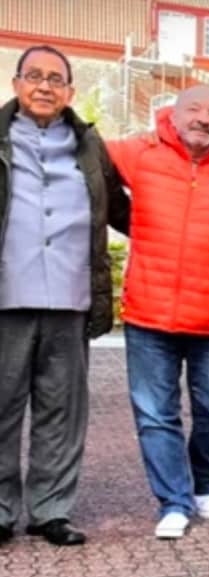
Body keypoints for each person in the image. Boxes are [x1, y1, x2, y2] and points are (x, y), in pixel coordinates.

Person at [106, 85, 209, 539]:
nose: (204, 118)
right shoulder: (140, 152)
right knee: (156, 414)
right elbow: (86, 153)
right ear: (174, 114)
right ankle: (173, 500)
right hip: (148, 315)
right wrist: (121, 215)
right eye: (195, 109)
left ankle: (203, 485)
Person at [0, 45, 129, 546]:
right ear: (16, 84)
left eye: (56, 79)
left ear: (70, 92)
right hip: (8, 294)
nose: (45, 86)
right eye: (34, 76)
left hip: (71, 297)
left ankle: (51, 510)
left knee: (62, 409)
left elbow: (123, 209)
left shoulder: (90, 146)